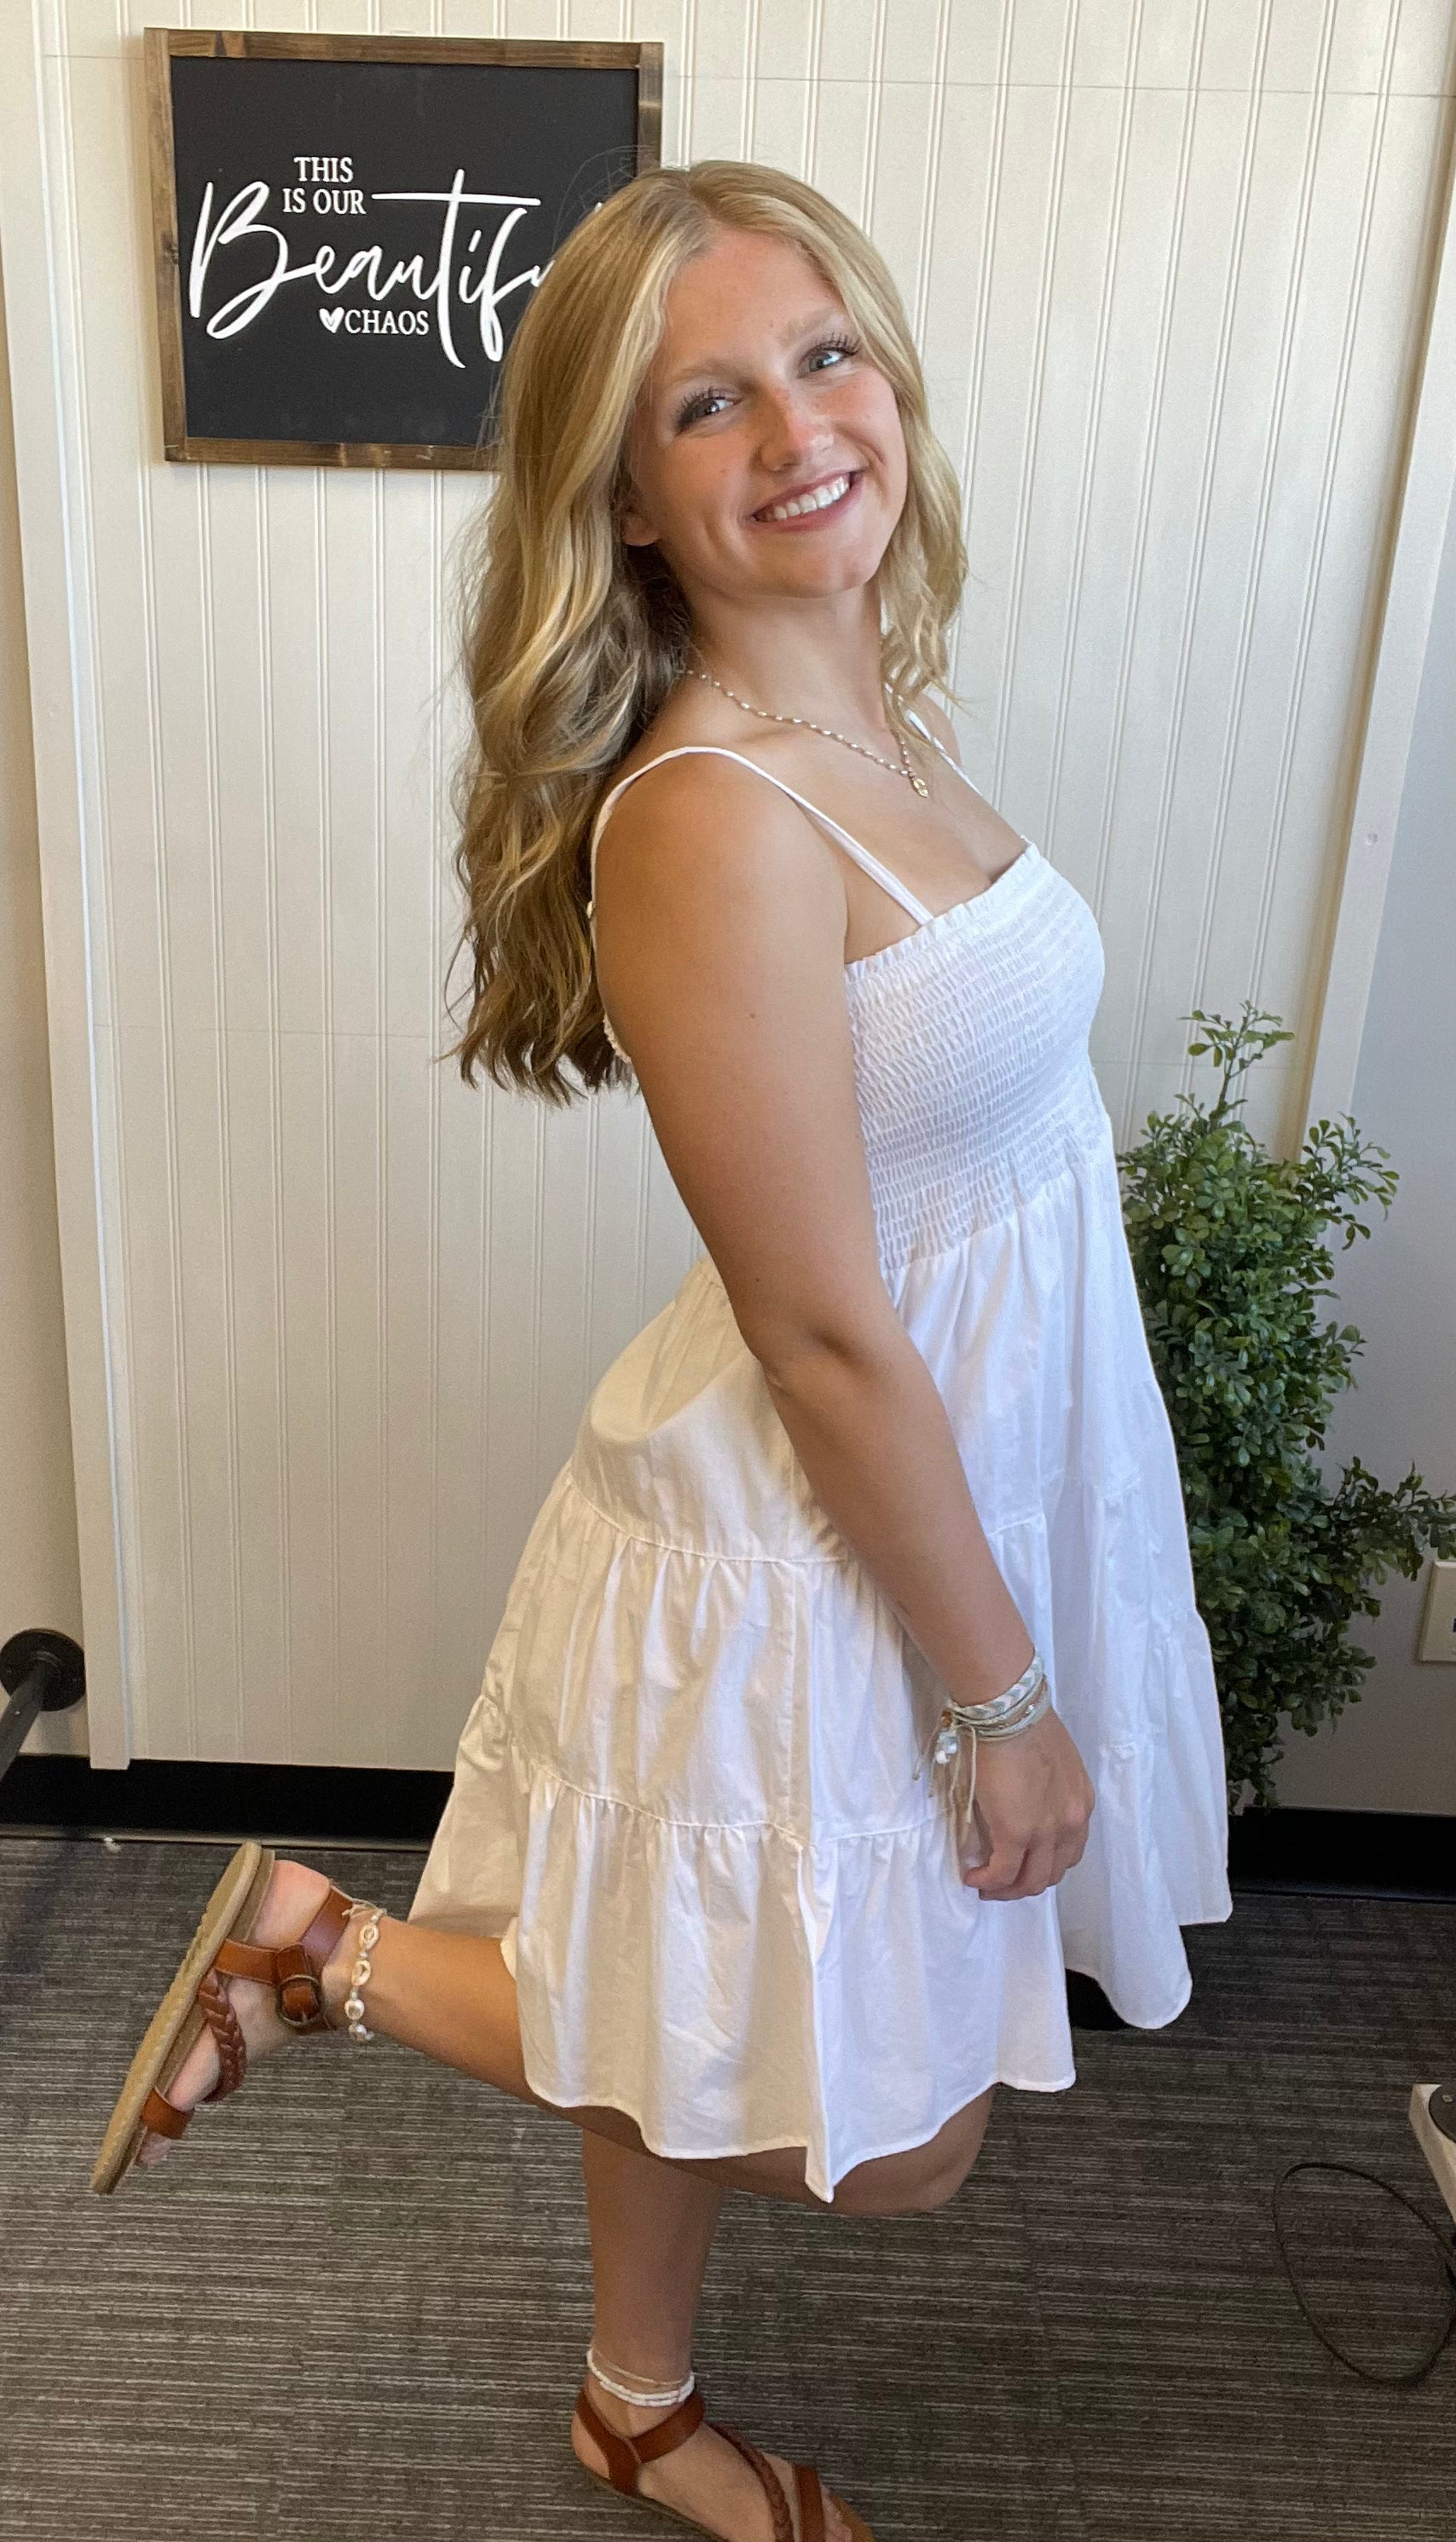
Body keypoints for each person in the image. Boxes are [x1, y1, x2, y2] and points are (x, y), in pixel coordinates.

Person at [91, 160, 1232, 2542]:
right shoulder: (708, 815)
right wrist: (1002, 1694)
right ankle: (334, 1959)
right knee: (893, 2140)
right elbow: (819, 1322)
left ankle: (633, 2402)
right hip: (812, 1534)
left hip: (939, 1473)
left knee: (701, 1975)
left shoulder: (879, 716)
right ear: (620, 494)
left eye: (826, 354)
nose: (800, 429)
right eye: (706, 405)